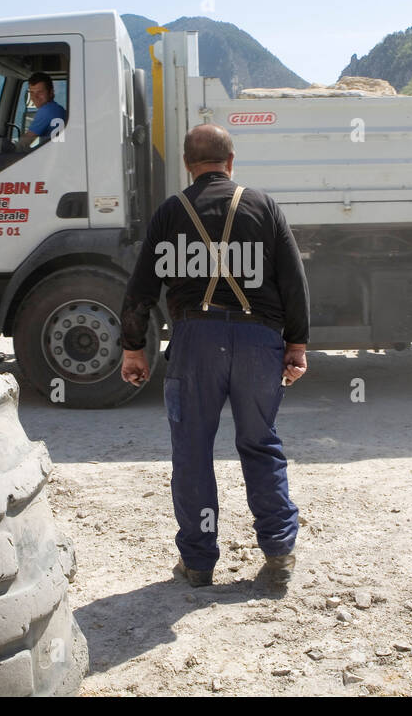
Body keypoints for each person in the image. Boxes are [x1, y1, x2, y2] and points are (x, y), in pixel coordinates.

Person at [120, 123, 309, 588]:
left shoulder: (170, 212)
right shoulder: (263, 206)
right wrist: (297, 345)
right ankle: (279, 552)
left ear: (187, 165)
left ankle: (199, 562)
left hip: (194, 342)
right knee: (260, 444)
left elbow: (141, 289)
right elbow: (293, 281)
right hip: (258, 342)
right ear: (231, 160)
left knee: (193, 453)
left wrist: (133, 349)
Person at [18, 72, 67, 149]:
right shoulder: (59, 110)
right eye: (32, 92)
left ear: (51, 92)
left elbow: (23, 144)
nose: (35, 97)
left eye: (40, 92)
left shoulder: (46, 110)